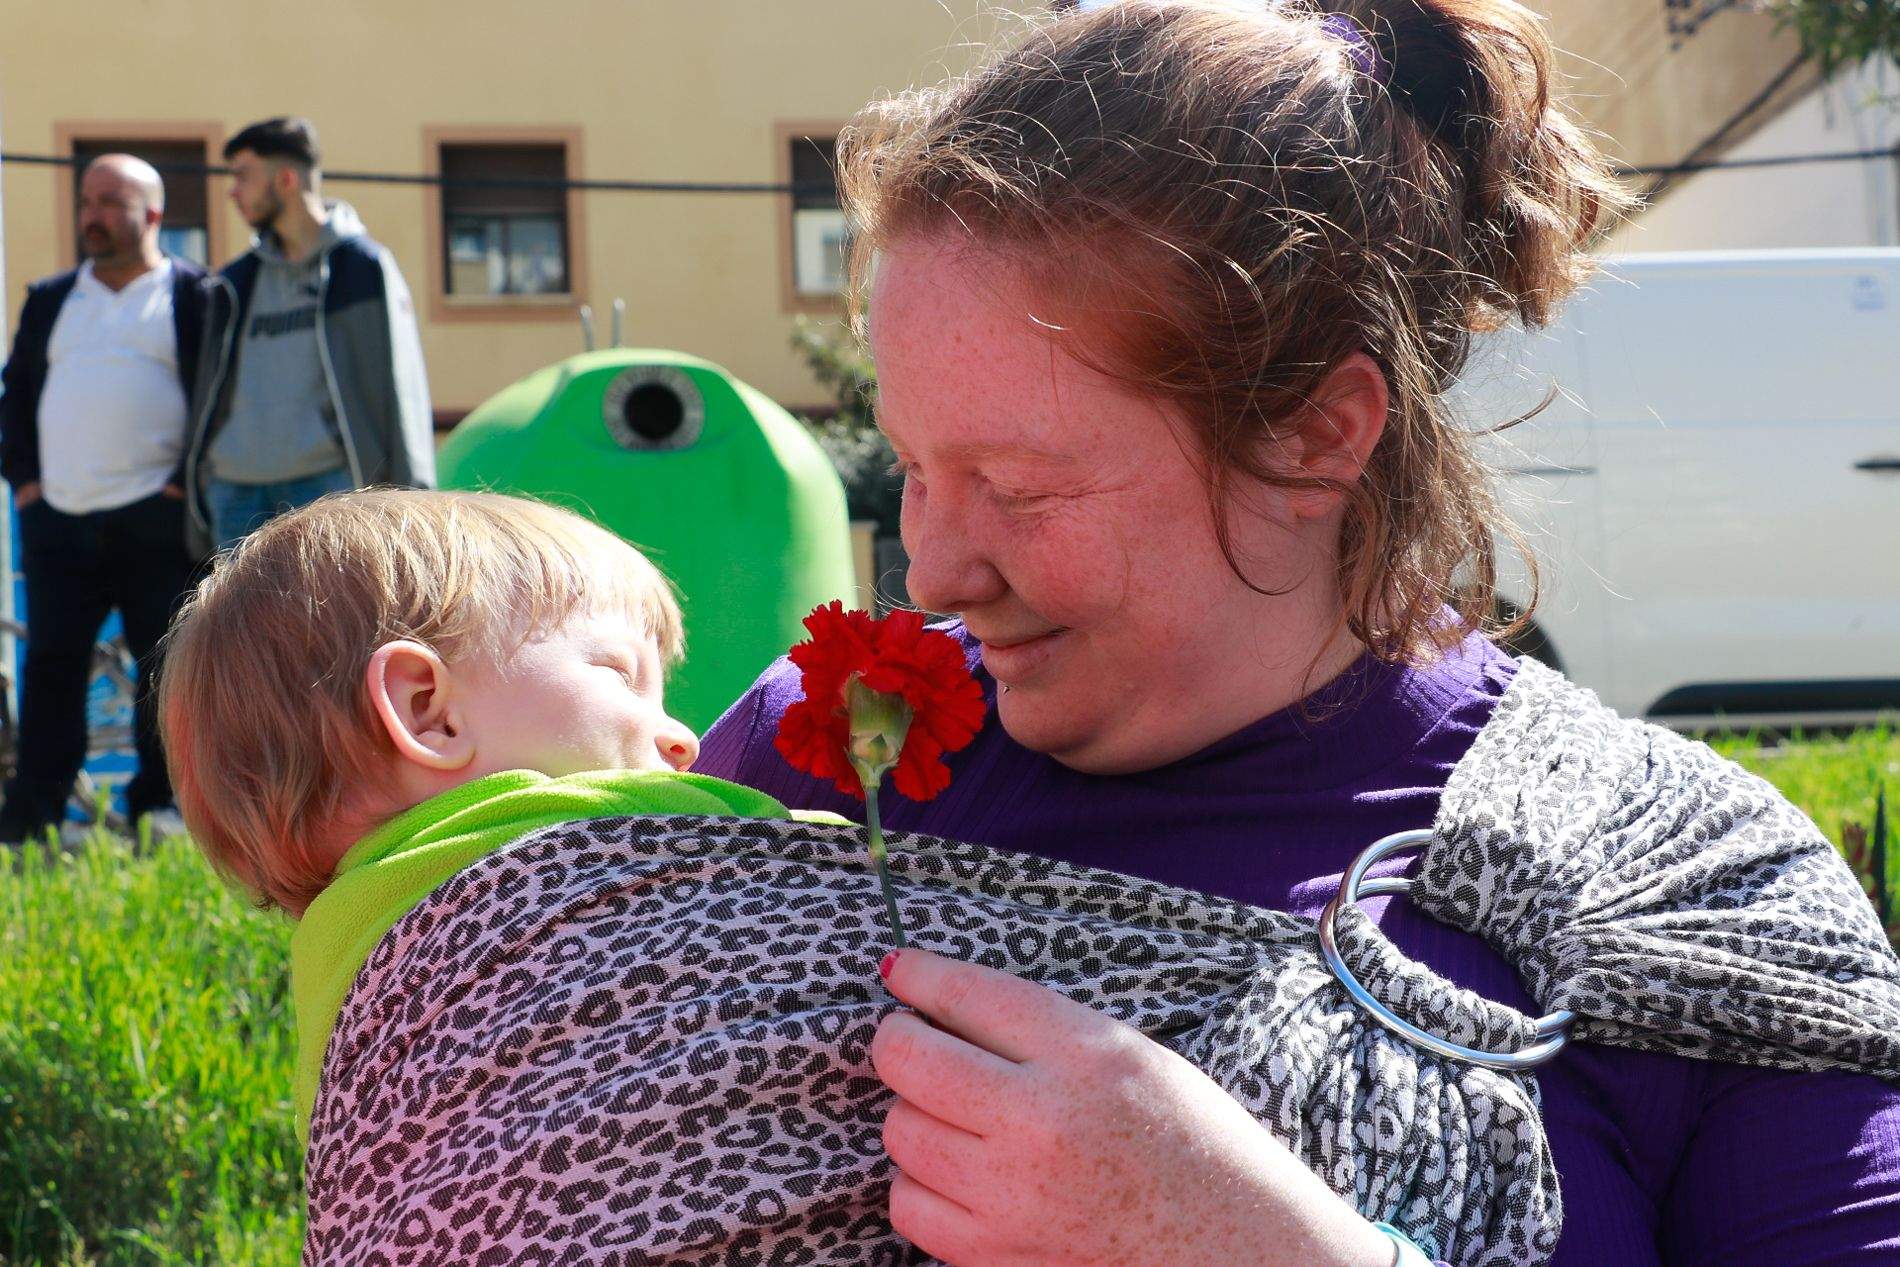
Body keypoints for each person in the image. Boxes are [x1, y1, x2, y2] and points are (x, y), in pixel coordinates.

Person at [699, 3, 1900, 1265]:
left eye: (1025, 485)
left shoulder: (1674, 892)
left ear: (1319, 436)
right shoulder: (824, 753)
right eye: (914, 469)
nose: (935, 568)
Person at [0, 154, 208, 842]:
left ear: (151, 215)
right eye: (86, 200)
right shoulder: (52, 298)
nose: (91, 214)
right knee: (52, 671)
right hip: (58, 522)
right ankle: (37, 818)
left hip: (155, 518)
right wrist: (26, 489)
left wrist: (180, 485)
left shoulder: (192, 296)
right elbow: (17, 399)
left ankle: (160, 810)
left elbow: (213, 402)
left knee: (163, 668)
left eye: (109, 202)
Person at [182, 117, 434, 556]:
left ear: (285, 180)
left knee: (336, 626)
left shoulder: (362, 268)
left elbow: (402, 389)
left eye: (243, 176)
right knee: (244, 628)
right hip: (235, 493)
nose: (232, 191)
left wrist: (413, 496)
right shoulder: (233, 283)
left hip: (329, 490)